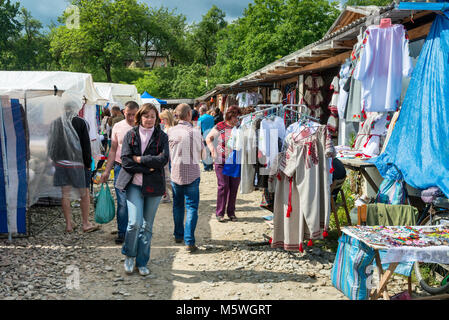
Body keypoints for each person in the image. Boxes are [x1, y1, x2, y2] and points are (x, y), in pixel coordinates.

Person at [115, 103, 169, 276]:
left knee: (147, 226)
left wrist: (140, 159)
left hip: (154, 186)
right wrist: (147, 166)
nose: (149, 119)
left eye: (153, 116)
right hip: (134, 185)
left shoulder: (162, 136)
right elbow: (126, 161)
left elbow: (163, 159)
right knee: (134, 223)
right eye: (146, 116)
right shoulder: (131, 134)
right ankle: (130, 255)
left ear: (157, 118)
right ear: (140, 117)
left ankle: (142, 261)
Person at [47, 99, 99, 233]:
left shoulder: (56, 122)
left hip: (61, 164)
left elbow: (51, 144)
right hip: (78, 165)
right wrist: (88, 164)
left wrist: (55, 160)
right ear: (76, 109)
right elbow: (86, 146)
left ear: (64, 109)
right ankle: (86, 223)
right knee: (84, 194)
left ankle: (69, 225)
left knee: (65, 194)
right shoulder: (81, 122)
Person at [168, 104, 206, 253]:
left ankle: (178, 234)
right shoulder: (195, 132)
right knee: (191, 208)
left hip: (176, 173)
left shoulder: (170, 131)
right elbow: (203, 155)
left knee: (177, 205)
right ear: (189, 114)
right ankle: (189, 241)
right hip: (192, 173)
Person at [99, 101, 139, 244]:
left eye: (134, 115)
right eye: (129, 114)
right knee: (122, 202)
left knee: (136, 201)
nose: (131, 117)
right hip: (120, 167)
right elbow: (113, 150)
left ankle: (135, 230)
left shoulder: (142, 126)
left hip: (137, 169)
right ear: (124, 112)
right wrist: (106, 170)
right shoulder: (117, 126)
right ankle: (122, 232)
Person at [206, 106, 242, 222]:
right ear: (229, 116)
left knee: (234, 187)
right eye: (235, 117)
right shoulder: (220, 126)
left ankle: (231, 212)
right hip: (221, 160)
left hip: (235, 162)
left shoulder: (240, 127)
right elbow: (208, 138)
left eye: (238, 117)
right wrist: (212, 150)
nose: (236, 119)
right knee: (223, 186)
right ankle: (219, 212)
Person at [159, 110, 175, 203]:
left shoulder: (170, 129)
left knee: (166, 177)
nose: (162, 121)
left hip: (168, 154)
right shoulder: (168, 128)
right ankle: (166, 196)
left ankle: (174, 193)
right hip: (166, 154)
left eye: (163, 119)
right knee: (164, 176)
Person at [197, 106, 215, 172]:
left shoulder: (200, 118)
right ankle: (210, 166)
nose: (199, 112)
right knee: (210, 151)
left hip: (204, 135)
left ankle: (206, 167)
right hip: (212, 135)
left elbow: (198, 129)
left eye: (199, 111)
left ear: (201, 111)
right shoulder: (211, 117)